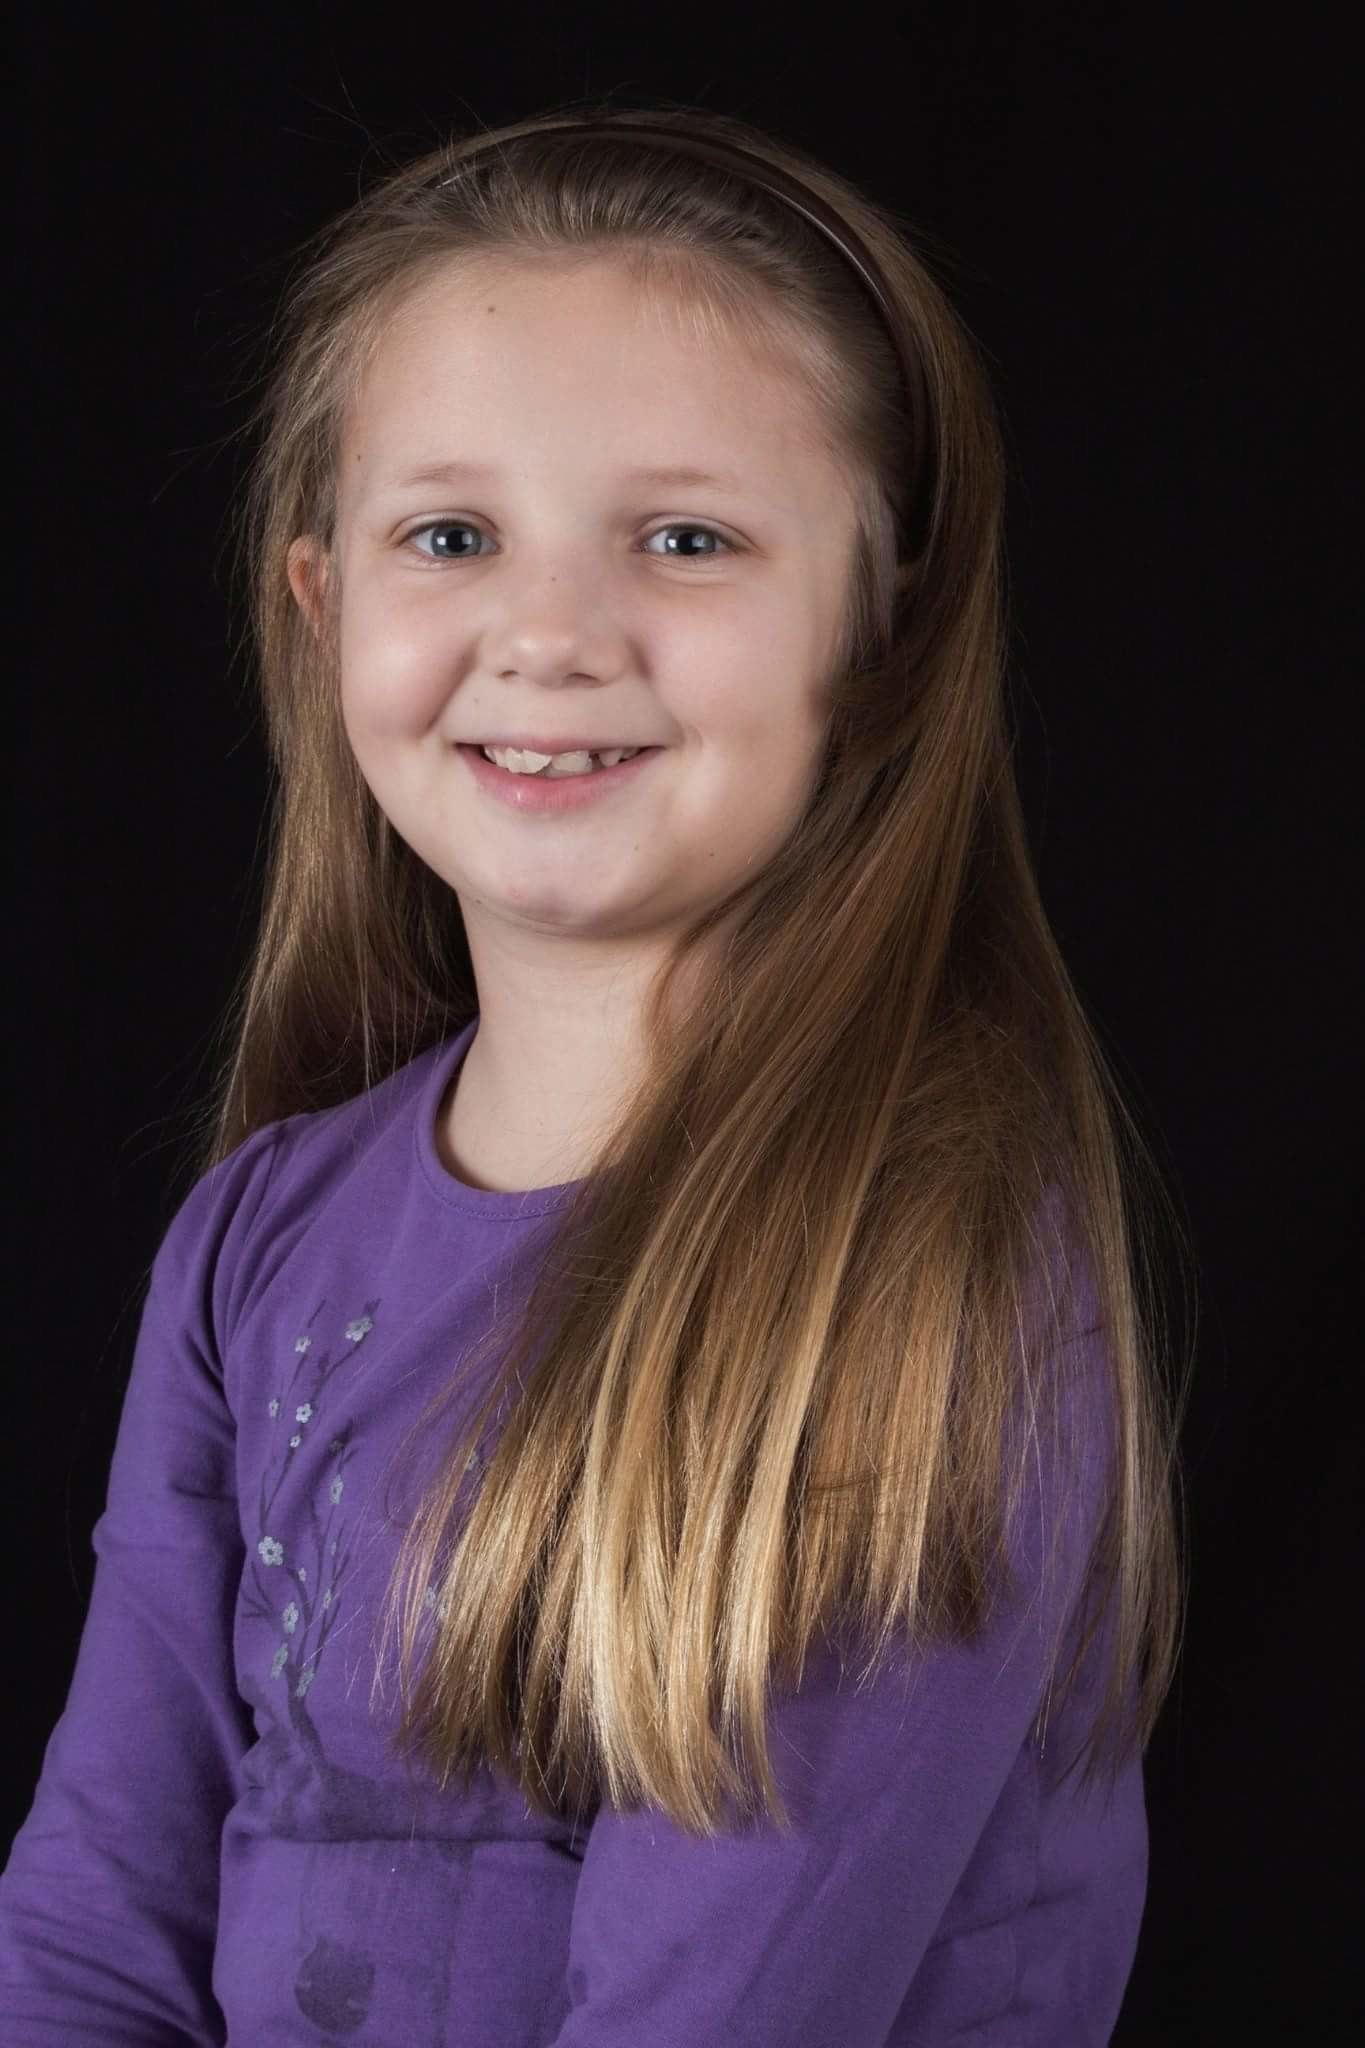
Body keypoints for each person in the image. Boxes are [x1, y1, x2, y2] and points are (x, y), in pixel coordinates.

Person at [0, 96, 1191, 2045]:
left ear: (879, 626)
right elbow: (93, 1909)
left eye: (686, 538)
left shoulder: (910, 1284)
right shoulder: (254, 1237)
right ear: (323, 605)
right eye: (450, 535)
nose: (548, 633)